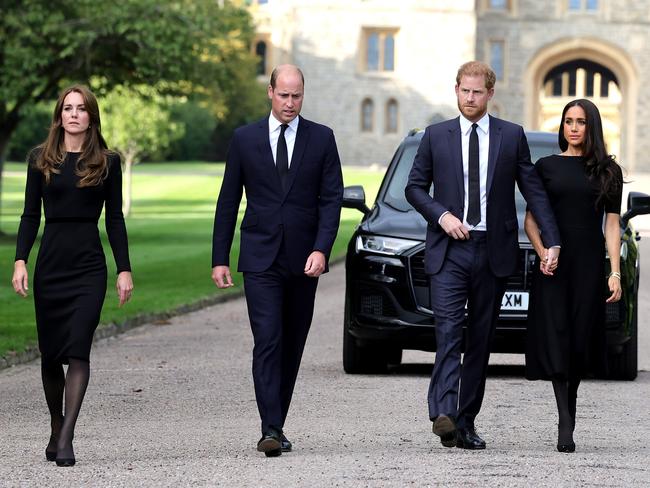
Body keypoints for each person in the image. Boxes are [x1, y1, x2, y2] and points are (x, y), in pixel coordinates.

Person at [405, 61, 561, 450]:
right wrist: (442, 216)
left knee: (479, 341)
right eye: (464, 91)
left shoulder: (511, 136)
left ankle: (466, 421)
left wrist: (552, 238)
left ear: (490, 94)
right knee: (448, 331)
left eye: (477, 92)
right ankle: (442, 411)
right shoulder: (435, 136)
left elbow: (533, 190)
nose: (470, 99)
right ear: (455, 89)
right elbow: (414, 188)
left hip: (493, 251)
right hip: (450, 250)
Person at [211, 64, 343, 457]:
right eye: (283, 95)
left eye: (297, 96)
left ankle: (277, 422)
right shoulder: (244, 139)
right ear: (270, 92)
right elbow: (228, 200)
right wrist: (220, 258)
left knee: (292, 343)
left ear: (304, 94)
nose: (290, 103)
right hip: (260, 257)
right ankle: (270, 426)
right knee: (267, 340)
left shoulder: (321, 138)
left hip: (305, 260)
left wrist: (322, 248)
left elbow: (331, 200)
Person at [12, 85, 133, 467]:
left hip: (88, 267)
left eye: (81, 109)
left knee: (79, 348)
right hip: (51, 265)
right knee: (51, 354)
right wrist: (20, 260)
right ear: (59, 115)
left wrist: (124, 268)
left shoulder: (107, 162)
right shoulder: (40, 158)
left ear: (91, 117)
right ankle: (55, 424)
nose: (74, 114)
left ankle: (66, 438)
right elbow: (31, 215)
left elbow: (114, 219)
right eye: (68, 108)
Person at [525, 99, 623, 453]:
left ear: (591, 126)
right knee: (556, 335)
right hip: (555, 264)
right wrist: (542, 253)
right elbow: (532, 220)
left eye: (581, 121)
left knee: (580, 336)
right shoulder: (546, 167)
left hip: (588, 263)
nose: (574, 127)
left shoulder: (609, 171)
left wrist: (614, 272)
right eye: (568, 121)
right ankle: (565, 419)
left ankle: (571, 405)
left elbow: (612, 225)